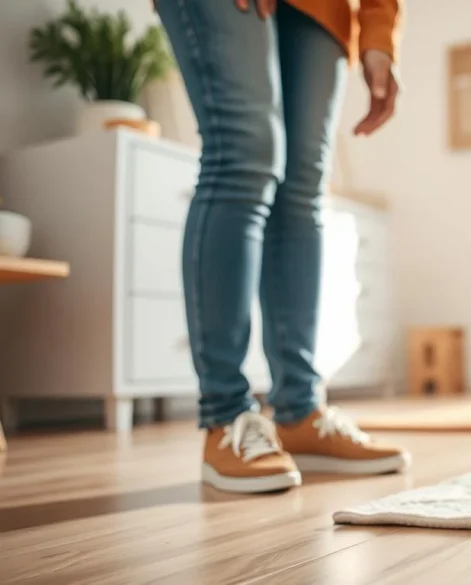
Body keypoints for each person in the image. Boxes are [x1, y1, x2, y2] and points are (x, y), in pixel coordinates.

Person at [154, 0, 408, 494]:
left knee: (303, 191)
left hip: (327, 11)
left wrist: (379, 33)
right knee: (243, 156)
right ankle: (225, 415)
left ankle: (300, 412)